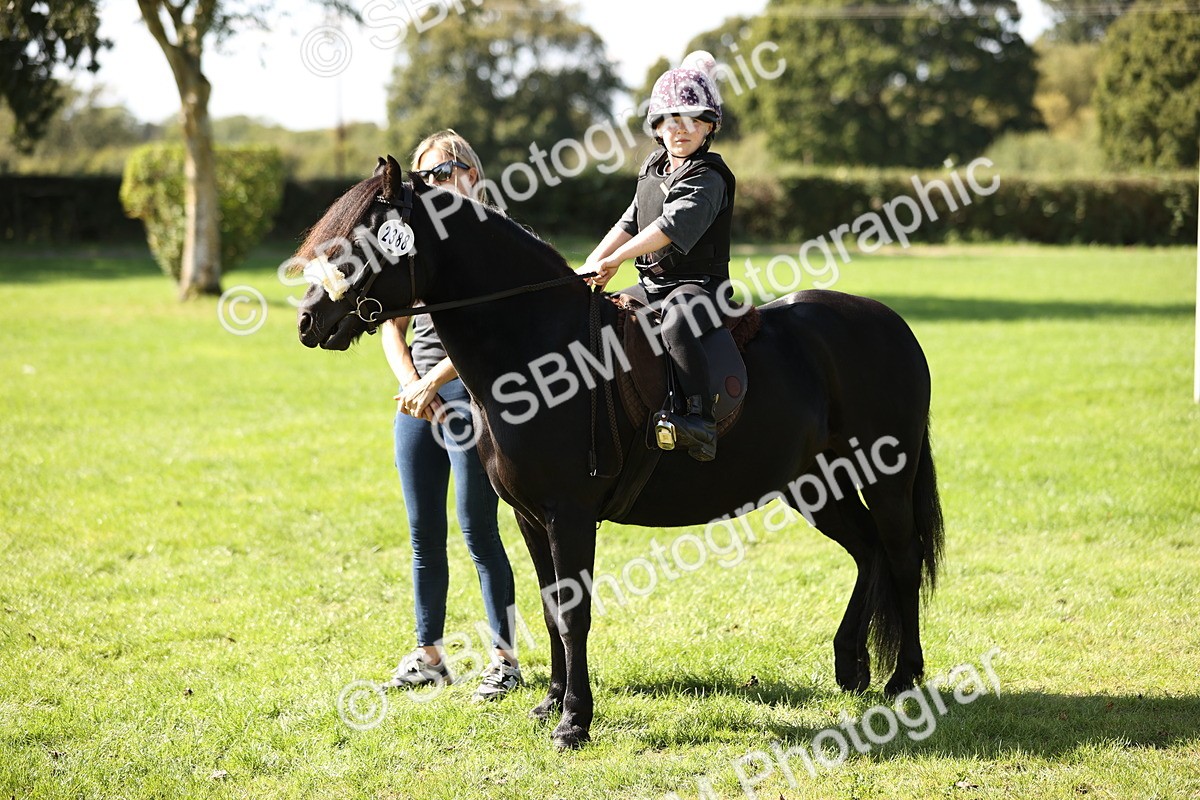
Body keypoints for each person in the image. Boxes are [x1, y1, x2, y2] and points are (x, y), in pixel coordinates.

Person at [379, 130, 522, 701]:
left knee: (478, 528)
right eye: (424, 178)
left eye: (444, 172)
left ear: (472, 177)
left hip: (471, 395)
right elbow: (392, 326)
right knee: (422, 533)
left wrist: (435, 384)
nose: (434, 185)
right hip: (418, 397)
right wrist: (413, 384)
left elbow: (493, 338)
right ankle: (429, 654)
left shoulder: (494, 242)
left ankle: (505, 660)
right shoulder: (413, 242)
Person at [581, 51, 736, 462]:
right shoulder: (653, 168)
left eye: (691, 120)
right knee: (597, 317)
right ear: (657, 127)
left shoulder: (708, 176)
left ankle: (699, 421)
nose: (679, 129)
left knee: (678, 323)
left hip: (700, 288)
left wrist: (616, 262)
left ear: (709, 127)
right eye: (670, 120)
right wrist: (590, 264)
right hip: (652, 285)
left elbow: (668, 228)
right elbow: (629, 222)